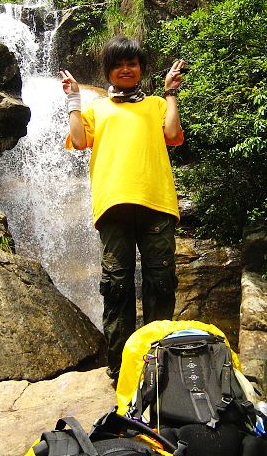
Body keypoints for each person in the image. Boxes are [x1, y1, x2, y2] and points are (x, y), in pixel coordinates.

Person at [60, 35, 184, 383]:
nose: (126, 69)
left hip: (156, 204)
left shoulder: (156, 104)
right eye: (118, 65)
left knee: (161, 282)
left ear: (141, 68)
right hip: (113, 207)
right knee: (117, 287)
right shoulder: (97, 108)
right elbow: (79, 140)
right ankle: (121, 368)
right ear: (108, 71)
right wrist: (73, 100)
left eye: (132, 64)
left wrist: (170, 93)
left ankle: (161, 363)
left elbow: (172, 133)